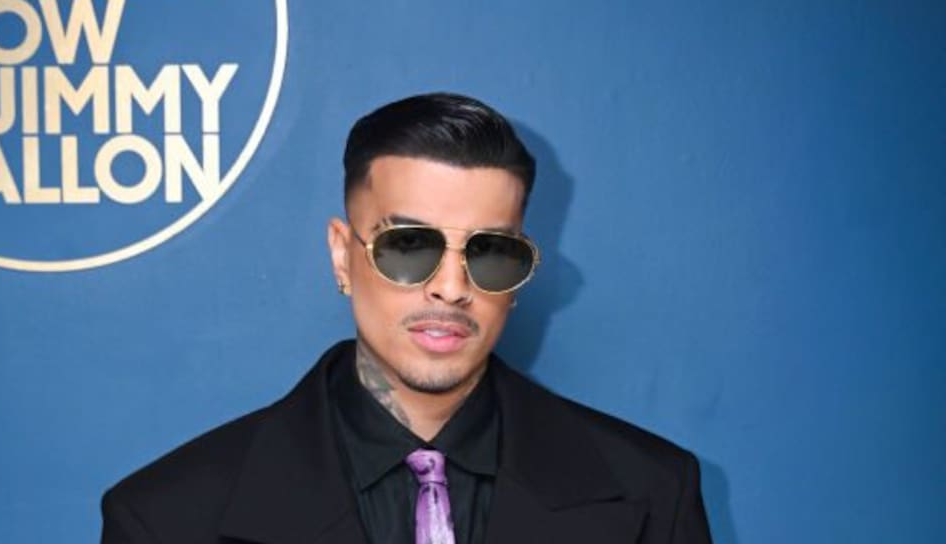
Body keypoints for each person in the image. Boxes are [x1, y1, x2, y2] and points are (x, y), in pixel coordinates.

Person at [100, 93, 713, 544]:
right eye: (409, 246)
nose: (451, 288)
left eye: (490, 253)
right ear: (342, 255)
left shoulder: (653, 494)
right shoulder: (166, 519)